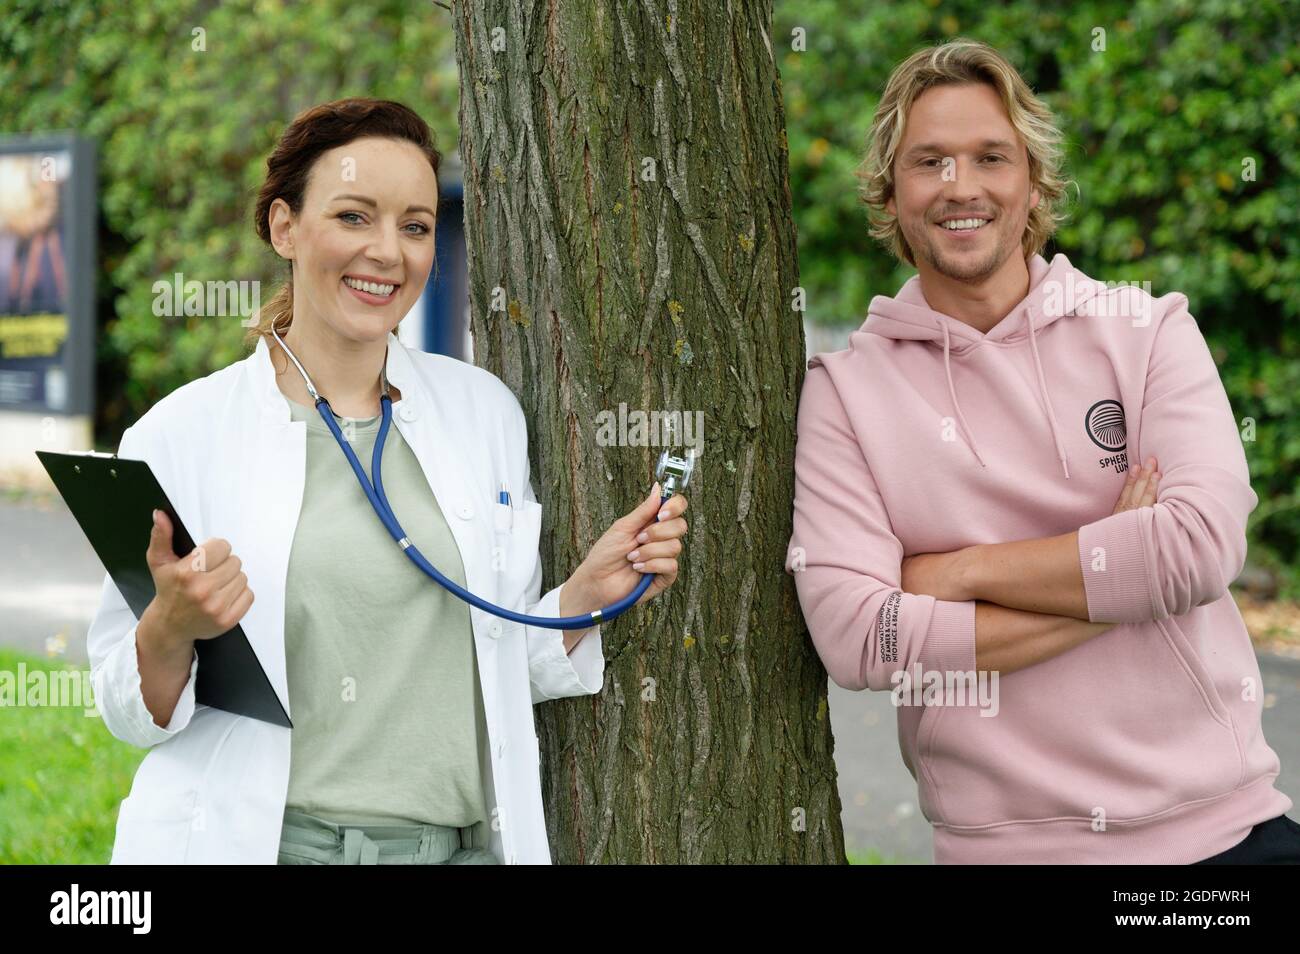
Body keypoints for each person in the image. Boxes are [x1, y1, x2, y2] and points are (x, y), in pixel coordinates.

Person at [86, 97, 689, 864]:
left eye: (414, 226)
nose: (387, 252)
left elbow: (492, 668)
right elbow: (125, 707)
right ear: (283, 228)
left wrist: (583, 600)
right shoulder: (180, 437)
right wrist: (169, 628)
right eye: (352, 217)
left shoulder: (484, 413)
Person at [789, 39, 1297, 864]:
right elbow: (858, 637)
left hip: (1226, 836)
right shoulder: (846, 392)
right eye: (930, 162)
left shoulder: (1147, 329)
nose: (962, 187)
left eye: (991, 157)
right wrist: (1124, 574)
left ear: (1032, 181)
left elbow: (1199, 549)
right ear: (891, 189)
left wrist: (955, 573)